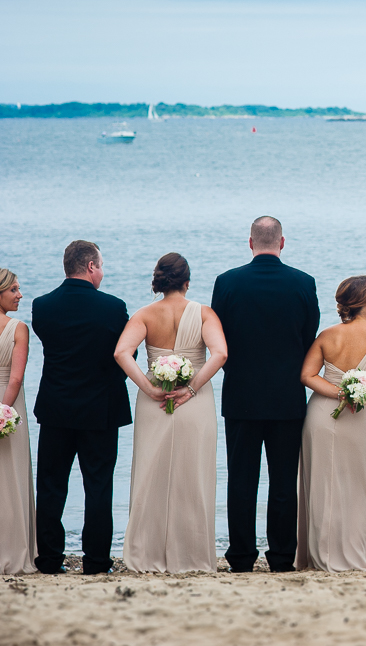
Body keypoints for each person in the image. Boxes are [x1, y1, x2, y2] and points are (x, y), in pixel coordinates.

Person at [210, 216, 321, 572]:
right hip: (287, 396)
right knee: (284, 482)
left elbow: (219, 339)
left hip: (241, 395)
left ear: (250, 242)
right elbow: (309, 338)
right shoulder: (304, 283)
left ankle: (241, 557)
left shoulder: (226, 283)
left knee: (241, 480)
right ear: (282, 243)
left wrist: (239, 371)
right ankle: (282, 557)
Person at [113, 253, 228, 573]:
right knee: (193, 475)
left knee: (152, 474)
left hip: (155, 401)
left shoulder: (144, 314)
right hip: (195, 402)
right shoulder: (205, 313)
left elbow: (121, 352)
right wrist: (191, 389)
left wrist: (149, 389)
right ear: (187, 282)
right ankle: (191, 555)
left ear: (159, 281)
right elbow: (220, 354)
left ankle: (146, 554)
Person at [30, 241, 131, 574]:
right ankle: (97, 561)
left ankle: (48, 559)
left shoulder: (42, 306)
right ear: (90, 266)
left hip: (56, 408)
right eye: (100, 266)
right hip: (100, 411)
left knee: (50, 486)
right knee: (99, 486)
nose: (102, 272)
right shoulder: (114, 308)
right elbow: (121, 357)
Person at [297, 275, 366, 572]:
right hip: (359, 417)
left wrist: (337, 392)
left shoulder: (327, 335)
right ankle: (357, 551)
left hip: (320, 415)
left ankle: (322, 554)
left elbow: (307, 376)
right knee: (359, 485)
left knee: (323, 484)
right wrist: (349, 393)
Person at [0, 268, 36, 574]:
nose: (20, 295)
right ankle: (13, 551)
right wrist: (2, 412)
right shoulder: (18, 328)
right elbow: (16, 378)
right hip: (8, 407)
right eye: (13, 290)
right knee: (10, 478)